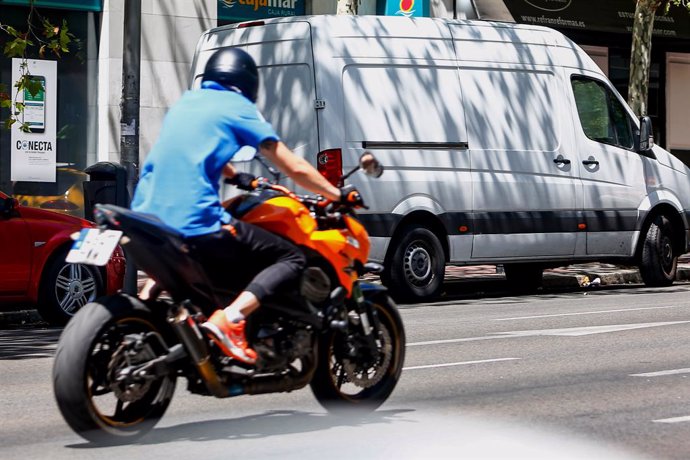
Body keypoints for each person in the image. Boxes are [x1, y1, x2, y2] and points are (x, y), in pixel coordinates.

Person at [130, 48, 346, 365]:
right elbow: (293, 167)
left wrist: (236, 175)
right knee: (290, 256)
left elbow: (191, 149)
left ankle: (149, 295)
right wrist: (335, 194)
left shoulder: (186, 103)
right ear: (247, 83)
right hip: (193, 221)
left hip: (145, 216)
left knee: (186, 248)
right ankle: (231, 319)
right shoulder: (239, 107)